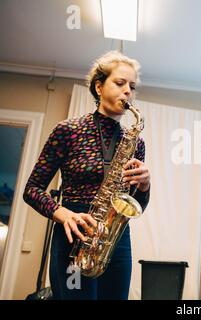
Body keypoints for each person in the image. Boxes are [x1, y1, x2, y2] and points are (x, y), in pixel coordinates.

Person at [23, 51, 151, 300]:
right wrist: (63, 214)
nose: (128, 92)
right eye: (120, 83)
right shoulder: (67, 130)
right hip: (75, 231)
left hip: (116, 239)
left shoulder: (136, 142)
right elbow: (32, 189)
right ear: (99, 87)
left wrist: (145, 185)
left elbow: (137, 205)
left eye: (132, 87)